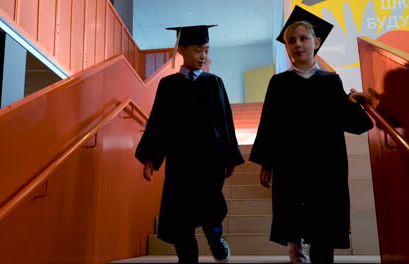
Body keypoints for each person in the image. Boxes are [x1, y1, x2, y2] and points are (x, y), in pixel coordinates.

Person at [249, 6, 374, 264]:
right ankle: (295, 247)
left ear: (316, 43)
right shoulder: (279, 83)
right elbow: (269, 125)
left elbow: (348, 121)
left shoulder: (331, 81)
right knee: (293, 214)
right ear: (286, 47)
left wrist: (355, 103)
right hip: (290, 162)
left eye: (303, 39)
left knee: (324, 223)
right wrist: (266, 162)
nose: (297, 45)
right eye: (291, 41)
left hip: (326, 163)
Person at [135, 25, 245, 264]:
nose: (203, 55)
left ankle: (216, 240)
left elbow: (226, 121)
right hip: (180, 162)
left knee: (210, 209)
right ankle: (187, 258)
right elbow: (159, 123)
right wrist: (150, 157)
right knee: (179, 216)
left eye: (206, 50)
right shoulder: (168, 85)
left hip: (210, 161)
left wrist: (230, 157)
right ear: (182, 50)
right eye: (197, 50)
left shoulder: (214, 82)